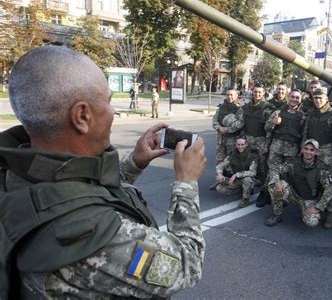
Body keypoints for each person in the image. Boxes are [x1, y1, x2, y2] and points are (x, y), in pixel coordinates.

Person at [0, 46, 207, 298]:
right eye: (108, 102)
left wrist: (134, 163)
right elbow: (188, 265)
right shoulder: (90, 233)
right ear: (82, 116)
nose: (114, 112)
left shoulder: (20, 171)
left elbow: (81, 192)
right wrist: (186, 182)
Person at [265, 139, 332, 227]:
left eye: (312, 150)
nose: (308, 152)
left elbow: (329, 190)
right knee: (274, 186)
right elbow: (275, 169)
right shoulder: (294, 162)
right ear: (302, 150)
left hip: (309, 199)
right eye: (306, 149)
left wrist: (318, 207)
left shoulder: (321, 169)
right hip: (293, 194)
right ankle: (277, 215)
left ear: (316, 152)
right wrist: (277, 182)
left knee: (312, 222)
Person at [302, 86, 332, 228]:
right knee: (311, 181)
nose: (318, 100)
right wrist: (303, 150)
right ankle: (313, 207)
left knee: (326, 183)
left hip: (326, 153)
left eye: (320, 98)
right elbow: (305, 133)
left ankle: (329, 212)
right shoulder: (311, 114)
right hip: (310, 152)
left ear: (326, 99)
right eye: (315, 98)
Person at [242, 84, 273, 207]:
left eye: (260, 92)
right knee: (248, 166)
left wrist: (267, 145)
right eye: (255, 92)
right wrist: (243, 139)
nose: (257, 94)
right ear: (252, 92)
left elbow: (270, 129)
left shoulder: (268, 108)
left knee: (263, 168)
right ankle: (246, 189)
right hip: (248, 141)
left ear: (264, 92)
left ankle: (264, 194)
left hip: (261, 142)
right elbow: (243, 124)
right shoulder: (246, 107)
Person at [210, 89, 244, 190]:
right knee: (219, 160)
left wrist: (227, 130)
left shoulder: (240, 109)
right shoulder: (221, 108)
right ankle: (218, 180)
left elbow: (240, 123)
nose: (229, 97)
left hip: (232, 140)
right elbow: (214, 120)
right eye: (228, 95)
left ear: (236, 96)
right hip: (221, 139)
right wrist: (218, 128)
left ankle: (233, 183)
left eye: (232, 95)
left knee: (231, 161)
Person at [215, 136, 258, 208]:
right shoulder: (232, 154)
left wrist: (237, 175)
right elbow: (221, 165)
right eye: (238, 144)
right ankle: (240, 190)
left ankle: (245, 199)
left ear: (246, 144)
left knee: (247, 180)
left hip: (250, 179)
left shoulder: (252, 155)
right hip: (237, 179)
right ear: (235, 144)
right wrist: (219, 174)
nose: (240, 147)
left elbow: (253, 172)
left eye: (242, 144)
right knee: (219, 188)